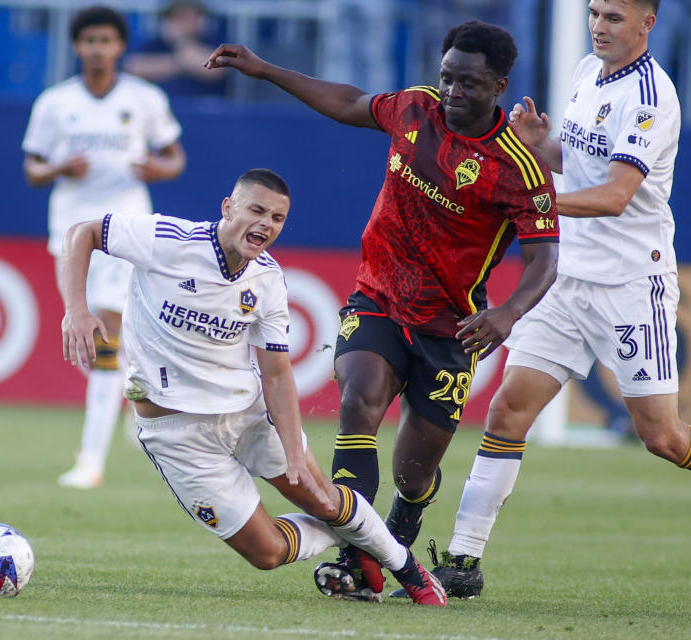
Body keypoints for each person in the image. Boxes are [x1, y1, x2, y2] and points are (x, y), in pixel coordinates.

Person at [206, 20, 560, 601]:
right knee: (357, 398)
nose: (451, 92)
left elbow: (545, 261)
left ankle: (402, 523)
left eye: (468, 83)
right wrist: (265, 68)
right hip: (377, 296)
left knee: (414, 470)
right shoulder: (415, 109)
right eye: (446, 77)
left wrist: (509, 314)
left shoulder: (519, 168)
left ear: (498, 86)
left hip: (451, 327)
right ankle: (354, 553)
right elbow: (348, 102)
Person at [61, 168, 447, 606]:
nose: (266, 224)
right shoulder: (167, 239)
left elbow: (277, 374)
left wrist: (293, 448)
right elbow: (82, 232)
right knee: (267, 553)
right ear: (229, 208)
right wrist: (76, 309)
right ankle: (358, 541)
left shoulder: (267, 280)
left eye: (278, 218)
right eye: (257, 210)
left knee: (323, 498)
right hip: (177, 435)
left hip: (247, 417)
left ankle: (406, 566)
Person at [429, 0, 691, 599]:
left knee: (663, 437)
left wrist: (529, 198)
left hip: (631, 285)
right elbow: (573, 169)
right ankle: (462, 563)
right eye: (595, 13)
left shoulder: (652, 97)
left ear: (647, 23)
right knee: (506, 411)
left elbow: (614, 194)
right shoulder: (585, 71)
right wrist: (539, 147)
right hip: (565, 279)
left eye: (614, 17)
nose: (600, 26)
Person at [23, 6, 186, 489]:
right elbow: (32, 169)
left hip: (125, 232)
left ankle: (90, 461)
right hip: (70, 235)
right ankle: (144, 410)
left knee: (104, 338)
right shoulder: (55, 103)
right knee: (102, 341)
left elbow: (175, 155)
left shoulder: (144, 99)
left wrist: (160, 169)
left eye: (106, 40)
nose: (97, 48)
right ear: (77, 46)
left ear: (120, 46)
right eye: (89, 40)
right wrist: (57, 169)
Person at [124, 0, 228, 97]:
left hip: (204, 107)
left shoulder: (213, 41)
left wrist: (180, 41)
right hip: (161, 102)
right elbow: (134, 68)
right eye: (178, 16)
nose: (185, 22)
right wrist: (184, 63)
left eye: (191, 15)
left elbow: (215, 71)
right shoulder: (157, 43)